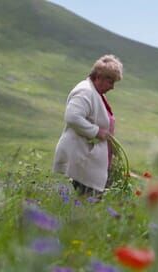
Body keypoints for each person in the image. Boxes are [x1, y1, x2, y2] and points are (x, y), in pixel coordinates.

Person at [53, 54, 123, 196]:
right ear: (99, 77)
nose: (112, 87)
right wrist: (97, 132)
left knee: (87, 205)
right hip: (81, 160)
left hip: (88, 161)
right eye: (111, 82)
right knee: (84, 205)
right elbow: (72, 117)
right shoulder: (85, 91)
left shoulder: (95, 92)